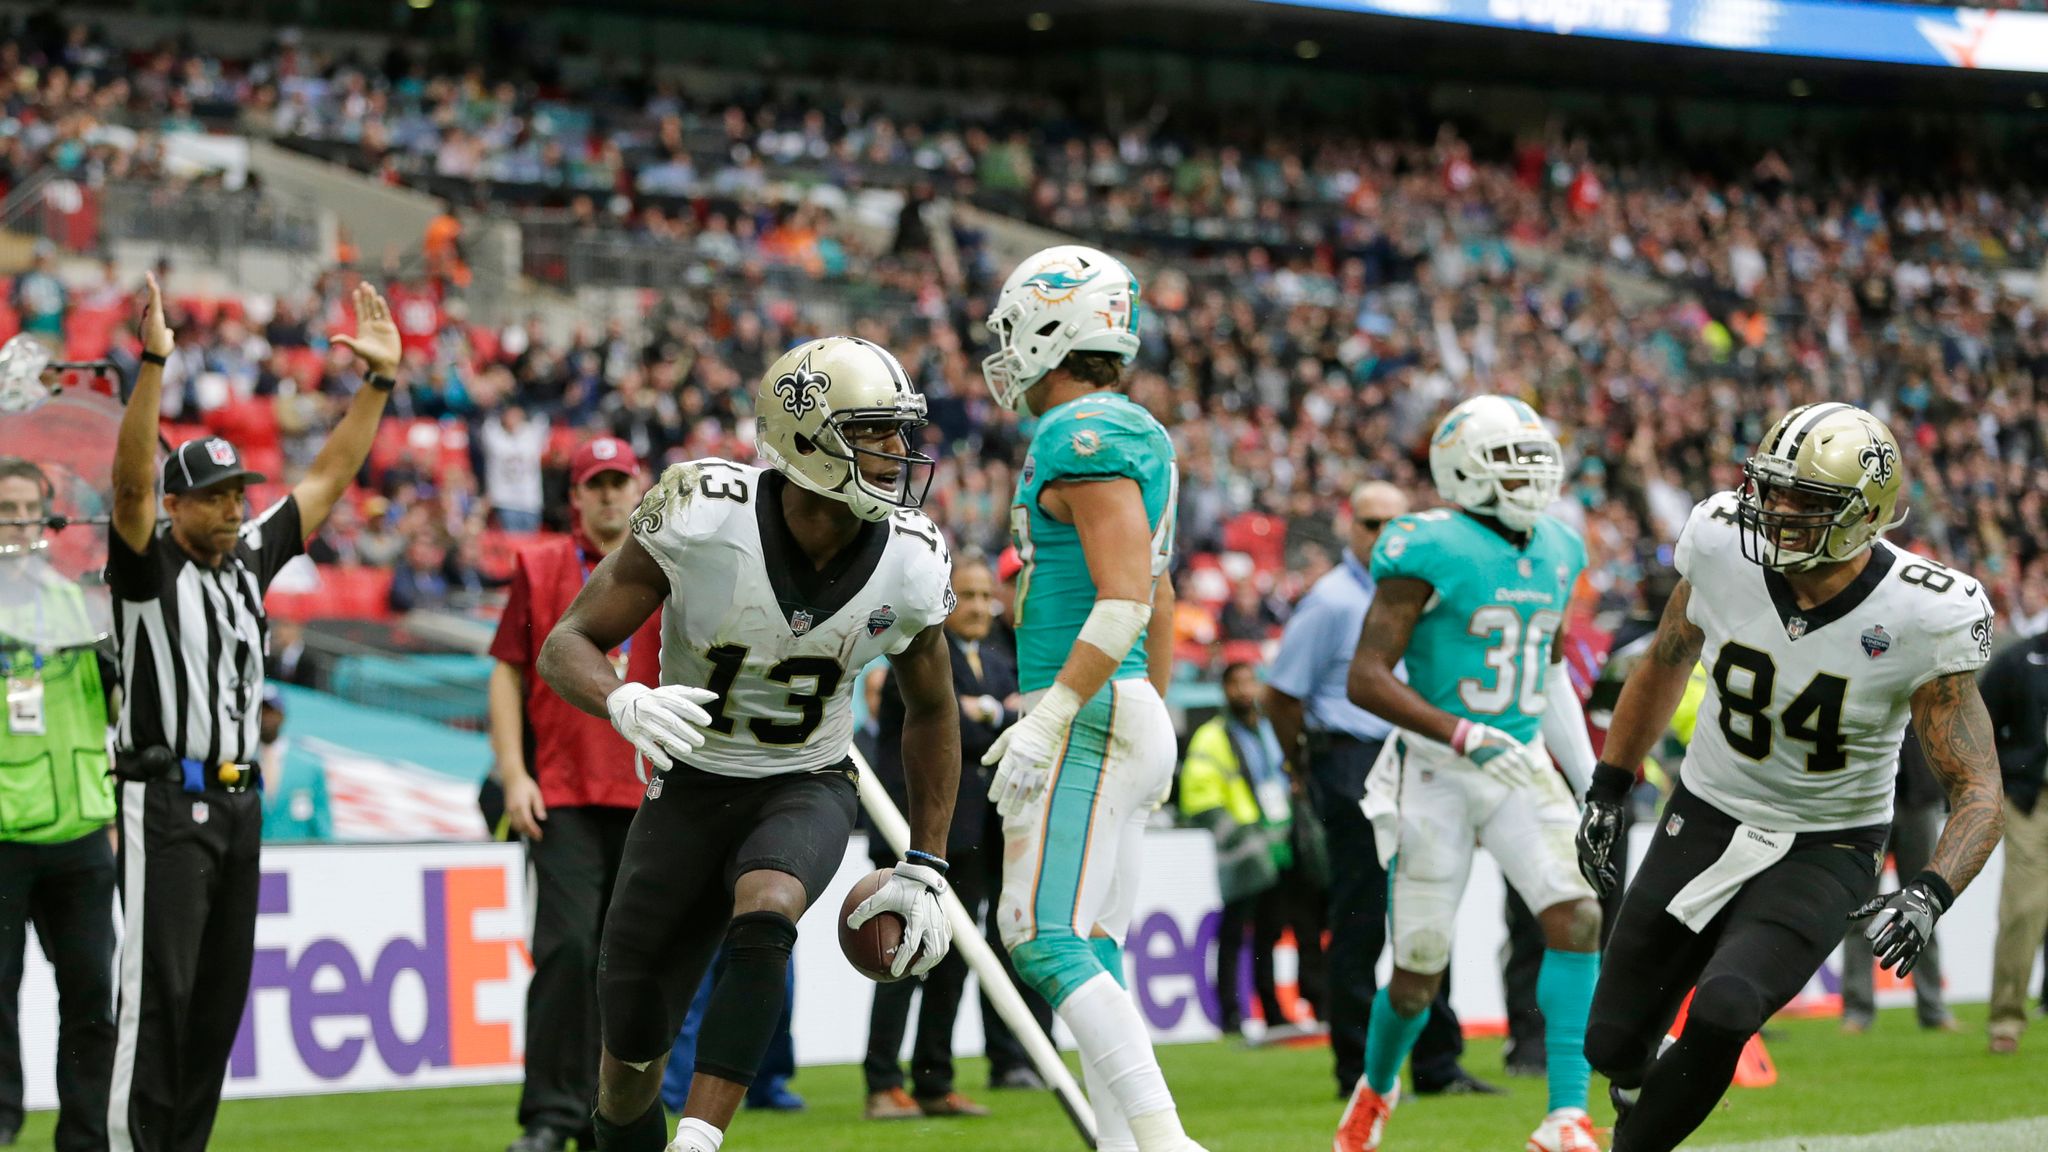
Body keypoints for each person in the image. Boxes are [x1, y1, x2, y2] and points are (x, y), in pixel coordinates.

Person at [537, 335, 961, 1152]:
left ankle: (701, 1137)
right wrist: (623, 697)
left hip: (805, 779)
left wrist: (927, 861)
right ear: (807, 436)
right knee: (625, 1065)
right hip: (688, 788)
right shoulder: (703, 512)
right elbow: (569, 642)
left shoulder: (909, 558)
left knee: (769, 905)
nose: (897, 452)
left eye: (899, 432)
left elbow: (932, 709)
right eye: (873, 430)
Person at [1578, 402, 2004, 1152]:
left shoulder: (1925, 612)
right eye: (1771, 491)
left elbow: (1977, 786)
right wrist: (1609, 788)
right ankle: (1637, 1097)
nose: (1776, 512)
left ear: (1863, 512)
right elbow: (1666, 661)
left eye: (1804, 501)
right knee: (1611, 1043)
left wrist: (1932, 892)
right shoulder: (1719, 544)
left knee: (1727, 1007)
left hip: (1828, 842)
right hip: (1705, 813)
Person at [104, 275, 401, 1152]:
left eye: (240, 494)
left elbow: (329, 475)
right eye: (218, 497)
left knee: (214, 1011)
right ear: (177, 505)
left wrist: (377, 385)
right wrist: (155, 362)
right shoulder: (149, 568)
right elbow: (126, 492)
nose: (236, 509)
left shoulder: (247, 562)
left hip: (238, 806)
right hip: (164, 803)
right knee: (157, 1004)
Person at [980, 244, 1205, 1152]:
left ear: (1051, 329)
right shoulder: (1121, 429)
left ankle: (1165, 1142)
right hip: (1122, 704)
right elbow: (1158, 595)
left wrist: (1058, 713)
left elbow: (1123, 596)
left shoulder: (1083, 435)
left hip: (1091, 704)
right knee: (1093, 941)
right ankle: (1128, 1147)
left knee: (1036, 932)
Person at [1335, 395, 1602, 1152]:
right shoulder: (1426, 544)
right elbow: (1367, 677)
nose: (1531, 474)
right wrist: (1460, 732)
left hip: (1517, 764)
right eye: (1510, 460)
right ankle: (1377, 1089)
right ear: (1462, 469)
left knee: (1577, 915)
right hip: (1436, 770)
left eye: (1535, 457)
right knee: (1418, 970)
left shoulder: (1558, 545)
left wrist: (1588, 778)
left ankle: (1566, 1115)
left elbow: (1548, 671)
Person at [1266, 481, 1488, 1099]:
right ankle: (1361, 1072)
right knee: (1362, 918)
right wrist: (1305, 766)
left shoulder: (1416, 593)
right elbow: (1280, 694)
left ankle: (1437, 1065)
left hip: (1410, 755)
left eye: (1395, 522)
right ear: (1349, 528)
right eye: (1370, 523)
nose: (1384, 535)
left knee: (1426, 906)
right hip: (1354, 760)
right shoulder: (1333, 601)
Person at [490, 437, 663, 1152]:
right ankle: (551, 1116)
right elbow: (506, 670)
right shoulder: (539, 566)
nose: (610, 496)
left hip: (648, 792)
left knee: (624, 963)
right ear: (576, 497)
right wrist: (513, 773)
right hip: (560, 790)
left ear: (641, 489)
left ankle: (609, 1119)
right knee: (563, 950)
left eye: (621, 483)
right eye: (597, 485)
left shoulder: (670, 569)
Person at [862, 551, 1012, 1120]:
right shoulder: (917, 654)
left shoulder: (997, 664)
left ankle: (933, 1082)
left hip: (975, 840)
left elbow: (1007, 727)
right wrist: (995, 716)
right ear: (947, 600)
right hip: (916, 837)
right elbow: (958, 733)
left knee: (953, 959)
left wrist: (989, 713)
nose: (976, 607)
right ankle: (881, 1085)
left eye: (984, 596)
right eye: (966, 595)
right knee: (898, 957)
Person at [0, 458, 115, 1152]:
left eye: (26, 509)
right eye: (3, 508)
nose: (16, 521)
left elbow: (116, 693)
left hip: (78, 831)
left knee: (91, 1001)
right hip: (3, 830)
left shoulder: (77, 603)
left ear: (46, 519)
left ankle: (83, 1135)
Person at [1179, 661, 1325, 1039]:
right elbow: (1199, 793)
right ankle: (1230, 1014)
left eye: (1250, 682)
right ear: (1224, 690)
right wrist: (1236, 832)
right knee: (1234, 932)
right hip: (1245, 845)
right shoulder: (1212, 736)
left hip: (1280, 841)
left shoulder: (1270, 729)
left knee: (1270, 933)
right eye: (1236, 684)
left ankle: (1272, 1012)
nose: (1245, 691)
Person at [1838, 728, 1955, 1033]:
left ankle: (1934, 1009)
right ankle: (1856, 1011)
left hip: (1918, 800)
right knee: (1860, 911)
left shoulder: (1923, 683)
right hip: (1868, 805)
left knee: (1923, 907)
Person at [1983, 623, 2048, 1053]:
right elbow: (1978, 727)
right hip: (2033, 803)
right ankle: (2006, 1019)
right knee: (2024, 908)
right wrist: (2014, 771)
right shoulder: (2019, 660)